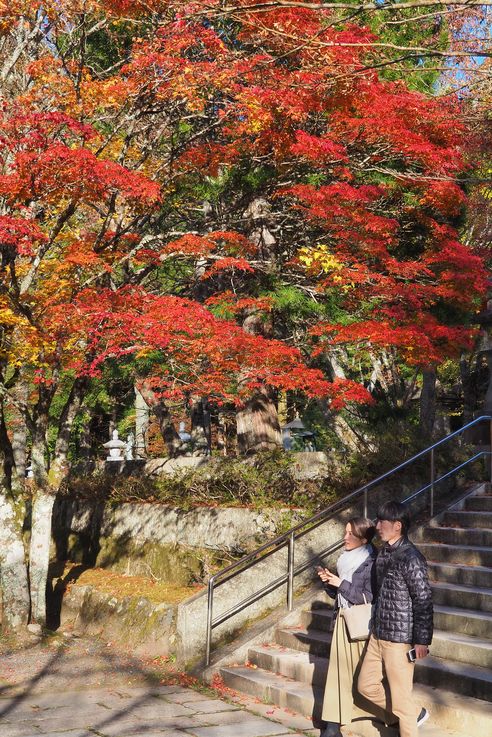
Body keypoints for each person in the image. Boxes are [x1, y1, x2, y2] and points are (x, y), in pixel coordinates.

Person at [358, 500, 433, 737]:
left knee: (401, 702)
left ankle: (408, 719)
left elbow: (423, 599)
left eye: (382, 521)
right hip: (378, 634)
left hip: (399, 640)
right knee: (365, 686)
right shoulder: (384, 553)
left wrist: (422, 640)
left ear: (397, 525)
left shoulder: (412, 557)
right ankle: (414, 713)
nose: (377, 525)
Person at [317, 516, 376, 737]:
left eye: (351, 533)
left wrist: (340, 583)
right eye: (345, 532)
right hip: (343, 617)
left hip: (360, 621)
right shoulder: (346, 559)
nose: (345, 537)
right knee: (338, 671)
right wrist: (329, 582)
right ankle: (332, 725)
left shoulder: (371, 561)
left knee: (363, 678)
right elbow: (340, 593)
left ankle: (405, 713)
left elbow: (367, 596)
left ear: (363, 538)